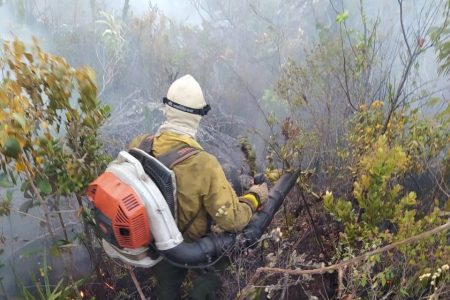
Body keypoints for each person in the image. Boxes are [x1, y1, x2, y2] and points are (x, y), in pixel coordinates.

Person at [128, 74, 269, 300]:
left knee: (167, 289)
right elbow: (232, 219)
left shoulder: (140, 144)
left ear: (167, 108)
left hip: (152, 244)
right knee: (222, 258)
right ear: (197, 116)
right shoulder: (204, 165)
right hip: (188, 250)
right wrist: (255, 197)